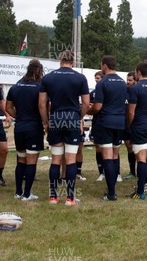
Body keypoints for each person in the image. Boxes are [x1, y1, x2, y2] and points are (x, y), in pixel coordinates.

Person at [39, 50, 90, 206]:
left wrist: (46, 122)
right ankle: (70, 198)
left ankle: (53, 197)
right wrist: (78, 117)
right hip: (72, 118)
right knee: (70, 160)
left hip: (55, 118)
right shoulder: (80, 77)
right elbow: (87, 104)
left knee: (55, 160)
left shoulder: (48, 78)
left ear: (59, 61)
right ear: (72, 62)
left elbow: (42, 104)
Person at [89, 55, 127, 201]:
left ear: (104, 66)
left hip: (105, 122)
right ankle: (114, 184)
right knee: (115, 154)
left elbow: (97, 106)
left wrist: (88, 111)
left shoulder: (102, 82)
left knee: (107, 156)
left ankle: (111, 193)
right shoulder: (123, 82)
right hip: (120, 122)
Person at [6, 59, 44, 201]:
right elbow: (43, 106)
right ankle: (27, 194)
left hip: (20, 126)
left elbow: (8, 108)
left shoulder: (15, 86)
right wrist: (45, 121)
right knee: (32, 160)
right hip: (34, 126)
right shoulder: (40, 87)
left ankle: (17, 192)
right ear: (39, 71)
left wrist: (19, 116)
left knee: (21, 159)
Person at [126, 62, 147, 199]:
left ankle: (140, 192)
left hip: (140, 125)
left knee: (141, 158)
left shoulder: (136, 88)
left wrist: (131, 125)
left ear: (139, 72)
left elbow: (130, 112)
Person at [89, 71, 106, 181]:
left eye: (98, 78)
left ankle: (113, 172)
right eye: (95, 78)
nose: (96, 80)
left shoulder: (107, 91)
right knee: (98, 147)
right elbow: (90, 104)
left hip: (106, 121)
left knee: (108, 148)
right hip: (96, 122)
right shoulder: (93, 93)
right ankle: (101, 172)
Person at [122, 71, 137, 180]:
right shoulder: (124, 92)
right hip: (125, 124)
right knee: (129, 147)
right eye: (127, 80)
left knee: (138, 149)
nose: (128, 82)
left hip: (137, 124)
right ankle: (132, 171)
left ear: (136, 81)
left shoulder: (138, 91)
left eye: (130, 80)